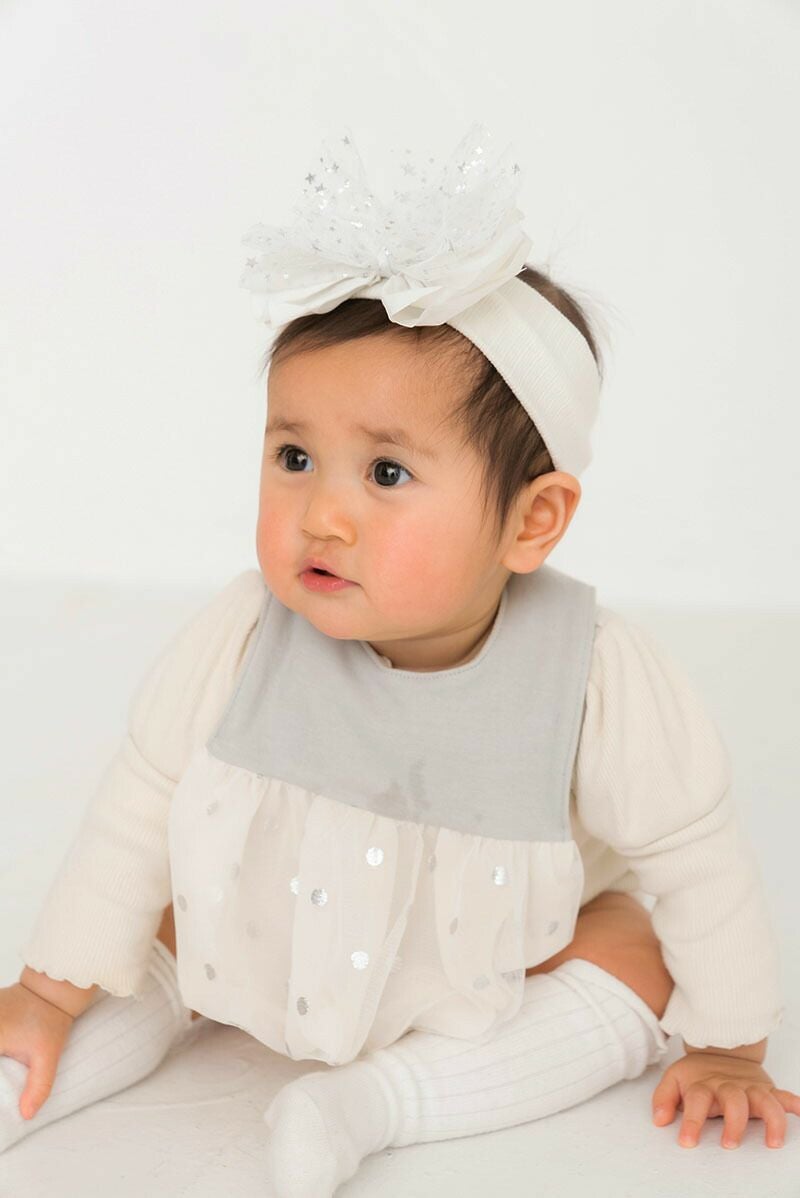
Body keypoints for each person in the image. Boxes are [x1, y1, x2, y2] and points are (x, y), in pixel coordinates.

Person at [1, 125, 796, 1195]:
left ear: (531, 520)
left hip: (493, 956)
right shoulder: (244, 635)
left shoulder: (592, 674)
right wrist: (49, 988)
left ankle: (376, 1101)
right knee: (159, 915)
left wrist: (731, 1043)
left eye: (385, 473)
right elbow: (135, 812)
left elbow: (695, 859)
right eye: (294, 456)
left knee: (636, 950)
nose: (321, 514)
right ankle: (37, 1074)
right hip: (268, 925)